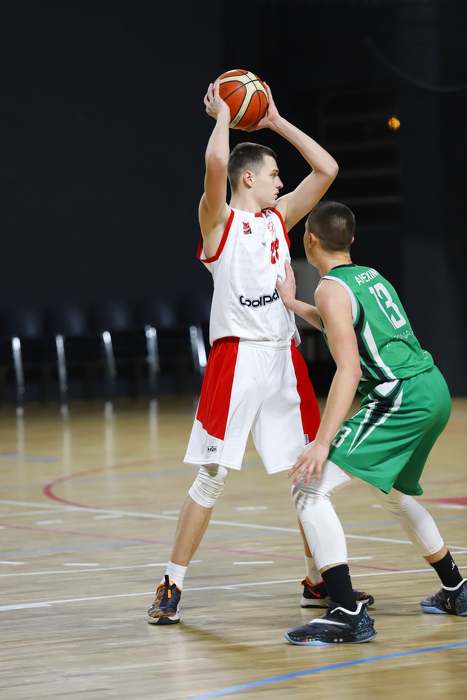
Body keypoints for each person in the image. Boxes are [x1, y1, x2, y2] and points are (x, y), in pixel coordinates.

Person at [147, 81, 373, 625]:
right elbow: (215, 164)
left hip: (282, 357)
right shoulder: (219, 221)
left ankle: (318, 579)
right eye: (273, 174)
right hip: (237, 358)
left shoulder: (278, 220)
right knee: (212, 477)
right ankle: (172, 583)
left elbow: (327, 169)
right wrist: (224, 117)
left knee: (308, 472)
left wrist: (274, 121)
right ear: (249, 178)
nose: (281, 182)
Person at [275, 201, 467, 646]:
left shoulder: (330, 288)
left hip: (401, 396)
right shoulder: (370, 276)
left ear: (310, 240)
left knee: (308, 487)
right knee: (394, 494)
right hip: (432, 388)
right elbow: (341, 325)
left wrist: (322, 442)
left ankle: (345, 611)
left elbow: (349, 370)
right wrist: (292, 303)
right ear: (351, 240)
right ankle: (456, 588)